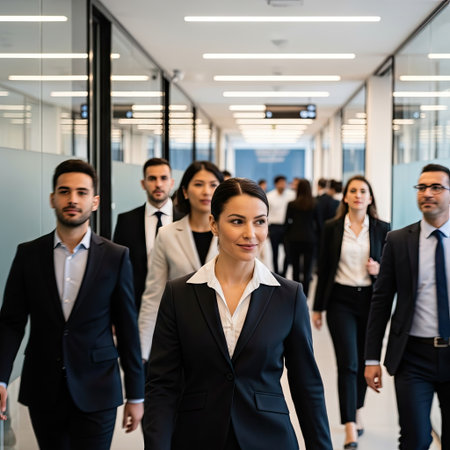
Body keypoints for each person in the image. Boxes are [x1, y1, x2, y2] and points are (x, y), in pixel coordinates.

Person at [144, 178, 333, 450]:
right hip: (197, 436)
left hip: (269, 437)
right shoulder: (179, 294)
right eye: (236, 221)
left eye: (260, 221)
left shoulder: (288, 295)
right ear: (213, 224)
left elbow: (307, 385)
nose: (250, 233)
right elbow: (162, 386)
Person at [0, 159, 144, 449]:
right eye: (64, 191)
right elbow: (11, 323)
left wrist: (136, 395)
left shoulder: (116, 256)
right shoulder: (28, 254)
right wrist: (1, 378)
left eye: (81, 192)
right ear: (53, 198)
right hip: (44, 385)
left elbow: (128, 328)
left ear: (94, 201)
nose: (72, 199)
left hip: (98, 386)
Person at [365, 163, 450, 450]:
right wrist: (371, 358)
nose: (428, 193)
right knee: (414, 439)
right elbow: (381, 300)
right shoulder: (399, 240)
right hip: (413, 356)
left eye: (436, 187)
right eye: (422, 187)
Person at [312, 175, 390, 449]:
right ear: (345, 197)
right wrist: (317, 307)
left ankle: (357, 411)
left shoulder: (383, 229)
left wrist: (379, 270)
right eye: (353, 191)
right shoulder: (333, 228)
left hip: (371, 301)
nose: (358, 195)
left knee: (365, 363)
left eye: (363, 191)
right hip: (340, 301)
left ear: (370, 198)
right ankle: (349, 427)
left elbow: (392, 274)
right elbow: (324, 269)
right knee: (348, 363)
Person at [139, 161, 223, 361]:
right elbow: (154, 294)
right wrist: (143, 350)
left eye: (213, 185)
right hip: (181, 335)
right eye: (198, 184)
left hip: (225, 334)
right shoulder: (167, 234)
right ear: (185, 191)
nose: (206, 191)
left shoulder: (231, 233)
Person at [113, 157, 183, 311]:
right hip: (138, 305)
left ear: (171, 183)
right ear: (143, 184)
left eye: (163, 178)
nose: (158, 184)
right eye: (152, 179)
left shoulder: (186, 220)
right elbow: (117, 270)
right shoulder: (126, 221)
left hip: (180, 305)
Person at [284, 178, 318, 296]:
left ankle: (296, 293)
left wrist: (286, 238)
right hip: (310, 239)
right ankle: (306, 294)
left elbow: (287, 223)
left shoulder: (292, 204)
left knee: (296, 268)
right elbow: (319, 224)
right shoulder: (314, 204)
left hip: (294, 238)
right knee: (308, 269)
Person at [266, 175, 295, 275]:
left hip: (287, 227)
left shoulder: (291, 195)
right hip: (274, 226)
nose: (283, 184)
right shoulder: (269, 196)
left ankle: (284, 272)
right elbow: (266, 213)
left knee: (288, 252)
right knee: (275, 252)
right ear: (276, 184)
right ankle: (276, 273)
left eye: (284, 182)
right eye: (281, 182)